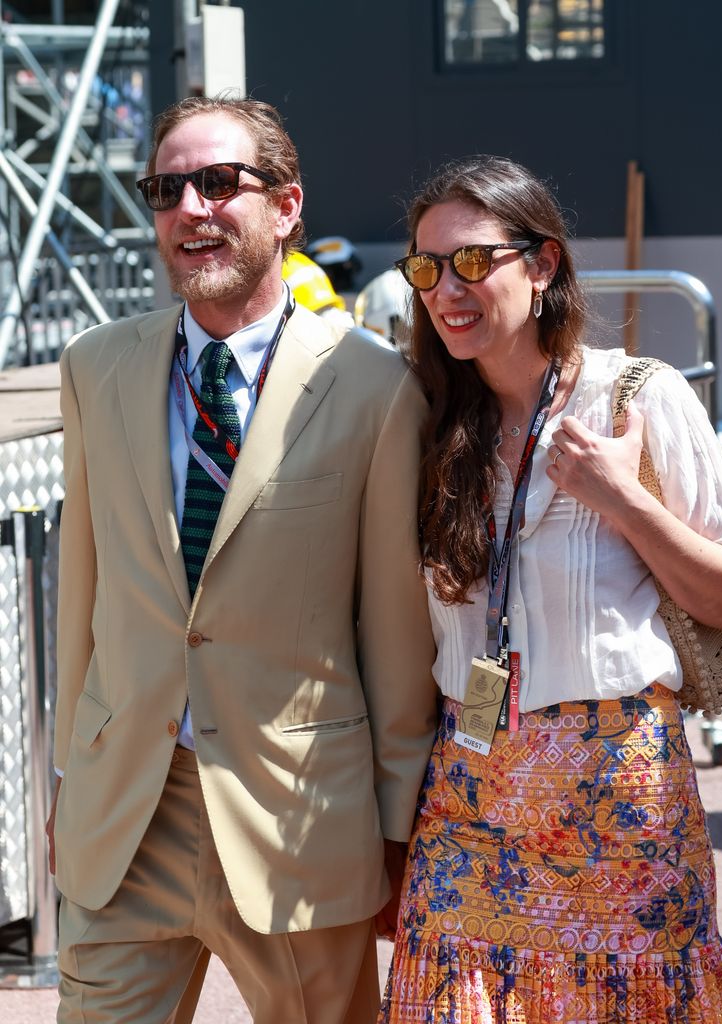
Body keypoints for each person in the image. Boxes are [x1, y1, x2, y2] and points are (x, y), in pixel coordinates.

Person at [46, 94, 437, 1024]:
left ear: (287, 207)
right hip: (128, 811)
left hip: (296, 821)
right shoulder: (94, 367)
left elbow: (393, 634)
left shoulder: (374, 385)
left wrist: (391, 829)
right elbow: (83, 595)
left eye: (220, 182)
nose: (191, 208)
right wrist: (72, 777)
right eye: (167, 188)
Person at [378, 154, 722, 1023]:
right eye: (427, 267)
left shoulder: (638, 398)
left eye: (474, 260)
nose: (448, 288)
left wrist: (620, 499)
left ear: (543, 263)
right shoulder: (423, 417)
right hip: (470, 786)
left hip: (620, 791)